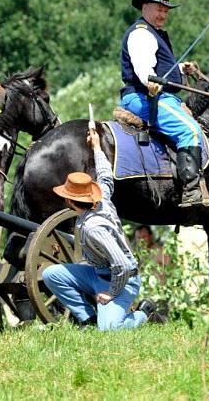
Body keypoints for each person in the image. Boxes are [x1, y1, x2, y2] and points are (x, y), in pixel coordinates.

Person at [41, 128, 161, 330]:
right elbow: (105, 175)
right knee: (51, 274)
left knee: (110, 329)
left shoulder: (93, 228)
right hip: (96, 274)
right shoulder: (101, 198)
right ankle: (87, 319)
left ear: (71, 201)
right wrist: (96, 146)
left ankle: (143, 314)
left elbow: (122, 265)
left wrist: (111, 293)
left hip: (122, 281)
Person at [118, 0, 209, 207]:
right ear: (145, 7)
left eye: (166, 11)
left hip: (157, 97)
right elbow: (144, 69)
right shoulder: (141, 33)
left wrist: (180, 69)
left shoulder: (153, 33)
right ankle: (191, 191)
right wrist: (150, 81)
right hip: (144, 98)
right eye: (159, 9)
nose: (162, 15)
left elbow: (161, 69)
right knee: (190, 131)